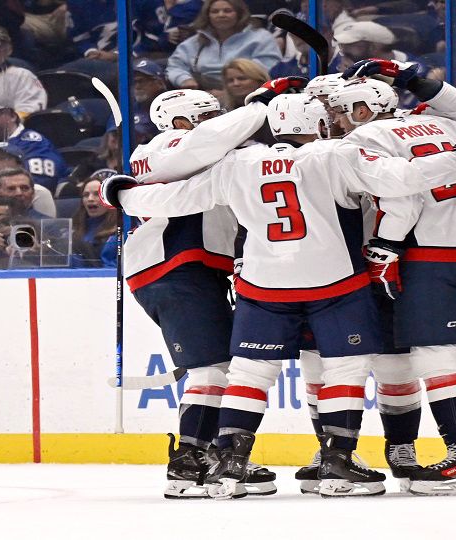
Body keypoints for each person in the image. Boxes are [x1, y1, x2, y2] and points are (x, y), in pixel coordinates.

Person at [101, 92, 456, 499]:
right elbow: (403, 180)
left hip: (263, 286)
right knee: (343, 367)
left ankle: (229, 462)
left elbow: (176, 197)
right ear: (317, 123)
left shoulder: (237, 163)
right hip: (335, 283)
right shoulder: (337, 154)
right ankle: (336, 463)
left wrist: (121, 194)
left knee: (248, 373)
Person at [328, 71, 456, 495]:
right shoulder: (443, 123)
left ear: (362, 109)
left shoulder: (362, 141)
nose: (335, 122)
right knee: (445, 352)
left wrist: (385, 248)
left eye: (339, 112)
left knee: (436, 356)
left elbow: (400, 193)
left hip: (435, 254)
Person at [98, 83, 296, 499]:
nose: (215, 124)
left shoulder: (212, 152)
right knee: (211, 368)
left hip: (195, 270)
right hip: (174, 268)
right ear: (179, 122)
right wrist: (259, 104)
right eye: (205, 116)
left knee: (220, 366)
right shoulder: (162, 147)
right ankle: (188, 463)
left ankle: (206, 456)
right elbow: (206, 144)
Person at [166, 0, 281, 90]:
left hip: (246, 94)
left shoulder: (261, 38)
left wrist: (228, 93)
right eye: (215, 11)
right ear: (207, 16)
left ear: (239, 14)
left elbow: (268, 68)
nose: (221, 15)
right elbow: (175, 65)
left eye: (227, 11)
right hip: (201, 93)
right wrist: (184, 80)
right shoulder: (195, 41)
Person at [69, 177, 117, 267]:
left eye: (97, 194)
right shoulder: (74, 231)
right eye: (86, 195)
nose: (90, 199)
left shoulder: (119, 233)